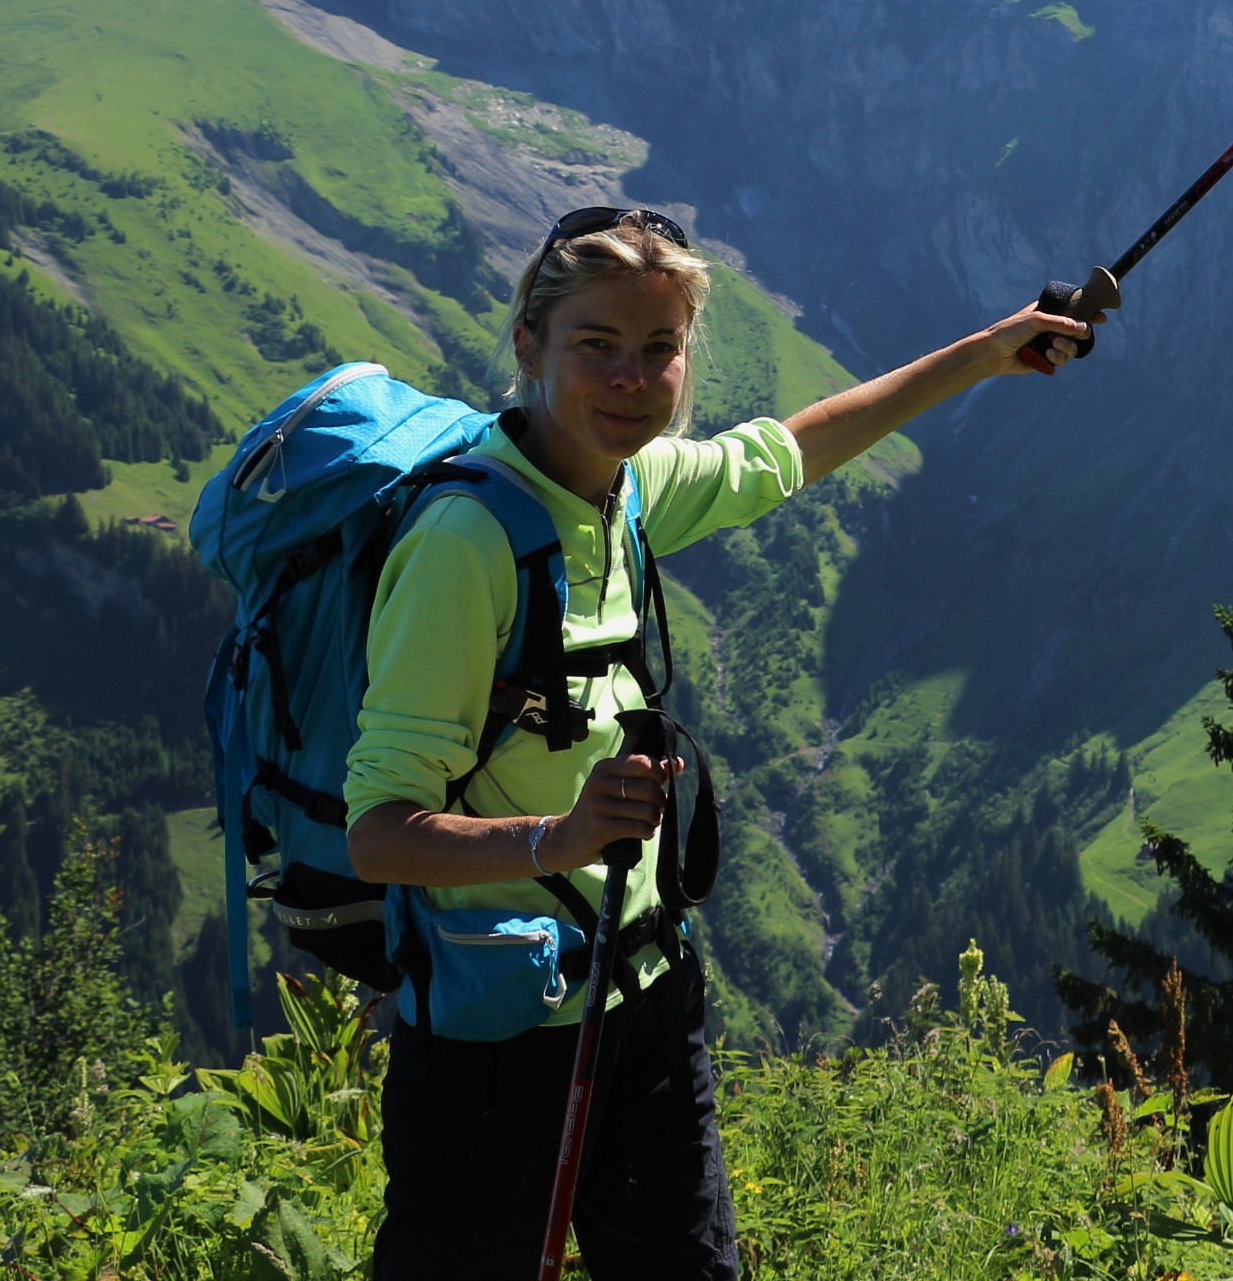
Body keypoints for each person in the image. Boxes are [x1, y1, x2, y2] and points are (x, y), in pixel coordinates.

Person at [341, 204, 1093, 1280]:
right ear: (528, 346)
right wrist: (558, 836)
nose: (630, 379)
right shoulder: (465, 542)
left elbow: (798, 447)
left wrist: (989, 353)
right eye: (595, 345)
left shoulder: (632, 489)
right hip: (492, 1042)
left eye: (658, 349)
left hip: (644, 1003)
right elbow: (379, 833)